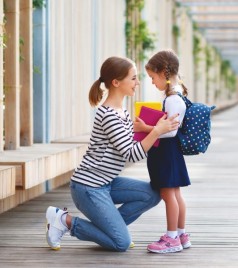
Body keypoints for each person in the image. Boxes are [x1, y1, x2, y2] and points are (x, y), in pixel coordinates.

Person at [45, 56, 179, 252]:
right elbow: (131, 154)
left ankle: (112, 230)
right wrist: (157, 131)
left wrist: (148, 128)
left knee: (152, 194)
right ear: (116, 82)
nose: (138, 82)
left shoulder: (121, 111)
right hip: (88, 188)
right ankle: (65, 221)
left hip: (106, 182)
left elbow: (129, 141)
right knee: (120, 243)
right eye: (133, 78)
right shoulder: (108, 115)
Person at [134, 49, 191, 253]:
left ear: (163, 72)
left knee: (169, 195)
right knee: (175, 194)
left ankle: (171, 238)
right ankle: (181, 234)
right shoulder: (177, 95)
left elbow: (170, 132)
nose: (151, 82)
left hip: (166, 153)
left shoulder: (172, 99)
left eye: (152, 77)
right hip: (170, 154)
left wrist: (144, 128)